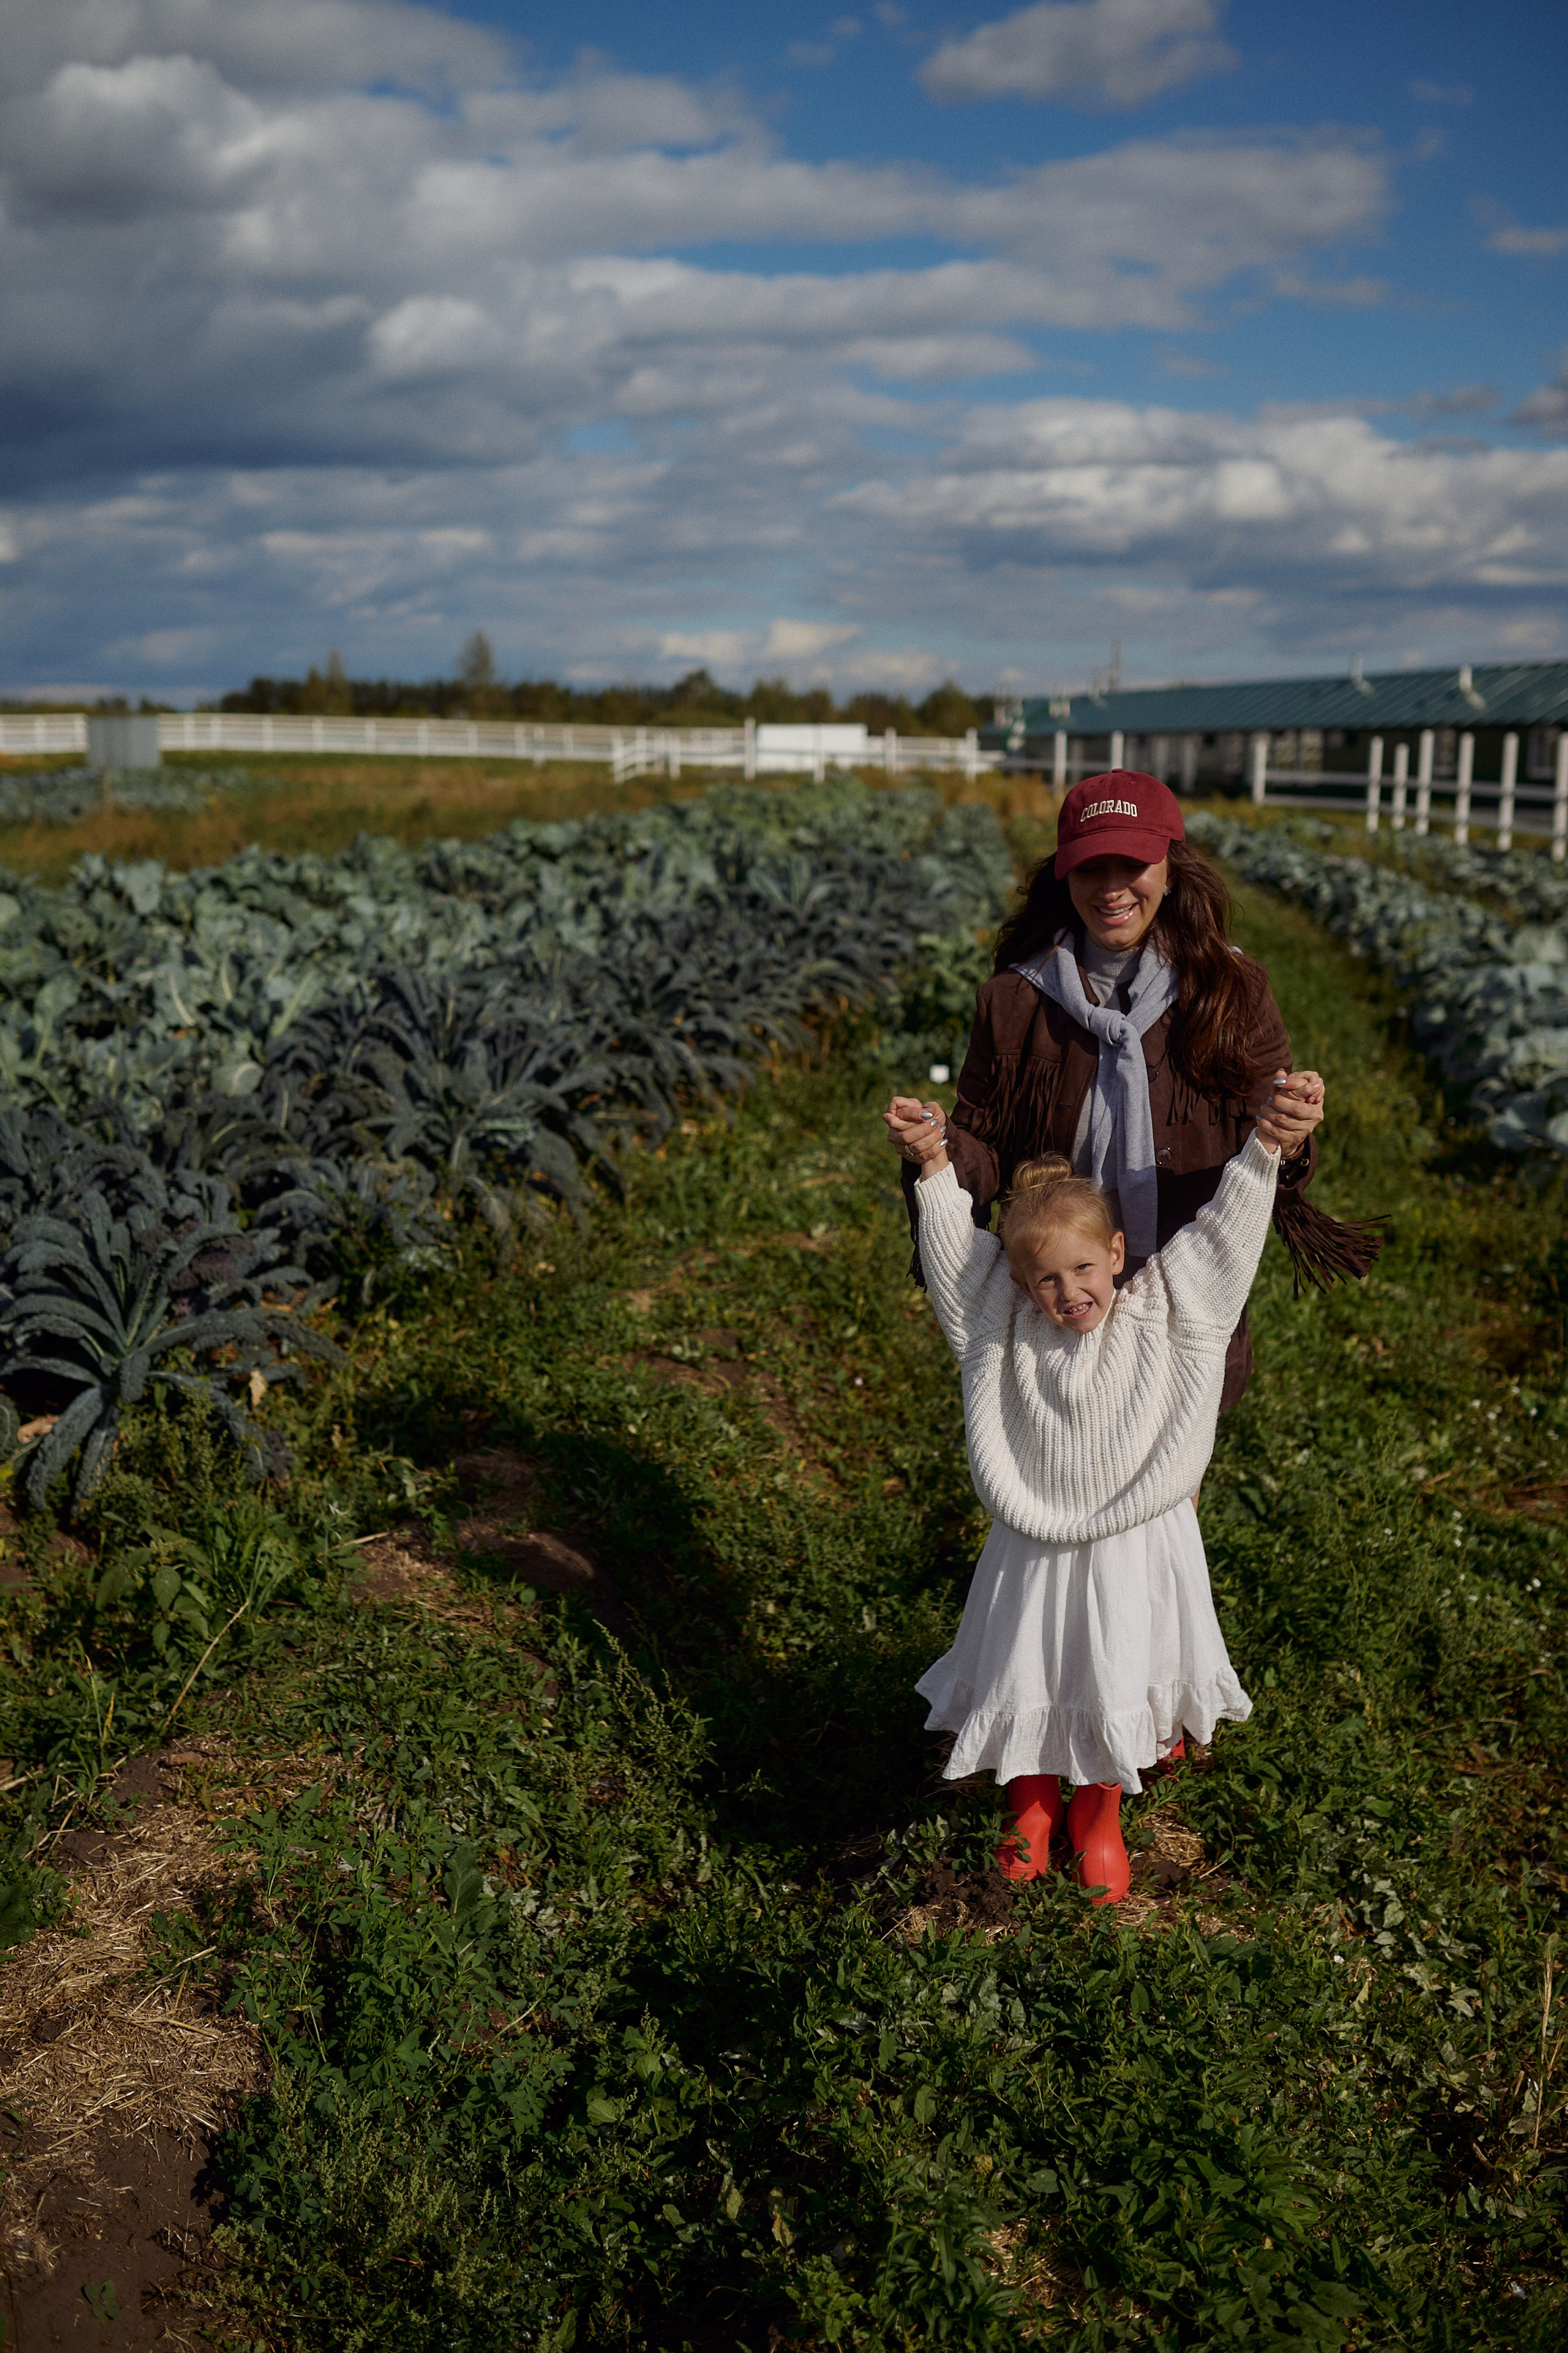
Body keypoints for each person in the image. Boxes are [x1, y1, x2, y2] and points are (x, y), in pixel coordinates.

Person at [886, 1074, 1321, 1901]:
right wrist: (933, 1159)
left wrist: (1266, 1144)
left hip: (1134, 1537)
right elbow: (953, 1253)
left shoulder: (1165, 1311)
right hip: (1035, 1539)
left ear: (1118, 1254)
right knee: (1030, 1667)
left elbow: (1225, 1236)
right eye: (1046, 1278)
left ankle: (1098, 1814)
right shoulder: (1000, 1326)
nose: (1069, 1290)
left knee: (1114, 1669)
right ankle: (1031, 1802)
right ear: (1018, 1285)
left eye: (1085, 1267)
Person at [894, 769, 1379, 1409]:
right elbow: (983, 1151)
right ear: (1064, 877)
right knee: (1064, 1481)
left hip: (1185, 1287)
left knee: (1170, 1489)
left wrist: (1287, 1133)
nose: (1113, 888)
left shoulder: (1233, 990)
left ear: (1171, 868)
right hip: (1061, 1294)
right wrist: (938, 1147)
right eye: (1092, 868)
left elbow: (1270, 1156)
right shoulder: (1014, 1000)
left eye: (1134, 863)